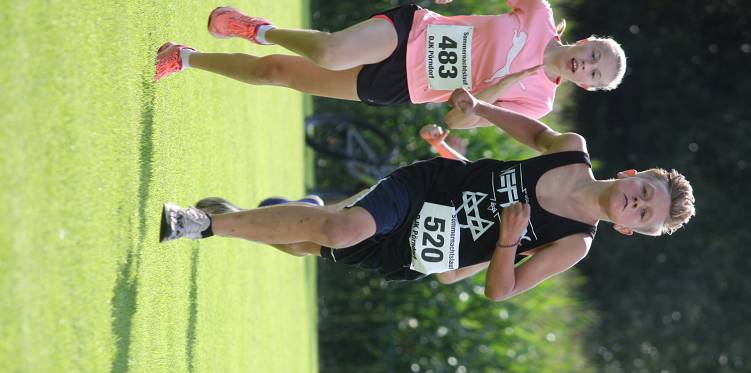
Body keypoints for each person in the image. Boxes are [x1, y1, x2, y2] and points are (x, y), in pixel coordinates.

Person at [159, 88, 695, 301]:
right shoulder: (571, 150)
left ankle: (245, 217)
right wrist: (480, 109)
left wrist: (509, 240)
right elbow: (533, 132)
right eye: (644, 192)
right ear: (632, 173)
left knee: (308, 241)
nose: (637, 203)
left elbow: (501, 290)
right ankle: (201, 224)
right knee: (342, 229)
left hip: (424, 250)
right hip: (426, 189)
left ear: (629, 230)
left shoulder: (575, 243)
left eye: (644, 215)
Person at [154, 1, 626, 128]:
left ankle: (184, 57)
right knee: (330, 51)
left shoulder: (538, 103)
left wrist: (507, 82)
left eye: (594, 73)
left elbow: (458, 119)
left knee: (276, 74)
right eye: (594, 55)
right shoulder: (539, 14)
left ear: (587, 86)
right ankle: (260, 31)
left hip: (405, 85)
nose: (587, 64)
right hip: (414, 32)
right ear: (586, 42)